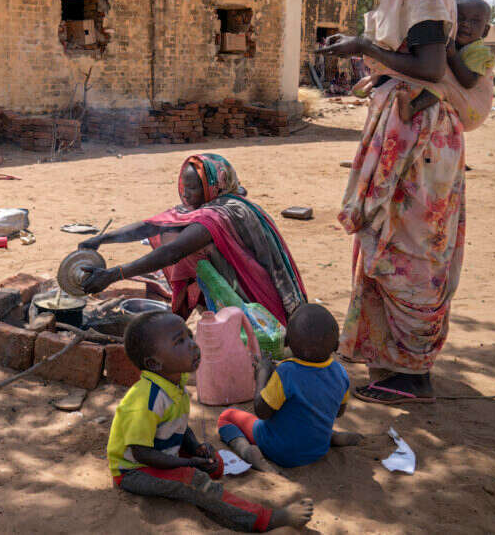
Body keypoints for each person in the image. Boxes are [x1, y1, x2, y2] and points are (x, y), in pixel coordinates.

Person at [317, 0, 465, 404]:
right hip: (404, 128)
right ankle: (395, 361)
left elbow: (428, 65)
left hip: (417, 138)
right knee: (389, 238)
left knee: (411, 247)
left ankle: (413, 371)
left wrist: (363, 46)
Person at [107, 311, 313, 532]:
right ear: (154, 363)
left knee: (213, 462)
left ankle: (202, 469)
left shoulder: (174, 382)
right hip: (135, 471)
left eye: (189, 336)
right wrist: (186, 464)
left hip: (161, 452)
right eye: (179, 342)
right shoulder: (145, 399)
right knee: (193, 480)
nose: (193, 346)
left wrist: (195, 447)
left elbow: (178, 427)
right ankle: (265, 519)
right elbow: (141, 453)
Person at [80, 154, 306, 326]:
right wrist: (102, 239)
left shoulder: (225, 212)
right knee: (172, 229)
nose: (185, 194)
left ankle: (233, 320)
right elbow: (154, 224)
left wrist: (114, 275)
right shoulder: (208, 205)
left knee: (179, 242)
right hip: (242, 285)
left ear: (212, 185)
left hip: (259, 301)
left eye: (193, 188)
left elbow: (173, 252)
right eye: (184, 187)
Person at [217, 303, 361, 472]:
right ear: (336, 345)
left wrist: (262, 374)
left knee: (227, 416)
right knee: (314, 417)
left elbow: (262, 412)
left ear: (286, 342)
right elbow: (338, 412)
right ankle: (330, 437)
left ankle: (246, 450)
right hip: (317, 450)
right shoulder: (340, 373)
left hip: (279, 450)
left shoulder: (287, 372)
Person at [394, 0, 495, 130]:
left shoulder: (478, 52)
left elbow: (468, 81)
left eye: (475, 21)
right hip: (465, 103)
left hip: (474, 109)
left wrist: (452, 55)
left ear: (485, 31)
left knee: (442, 85)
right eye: (460, 18)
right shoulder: (455, 45)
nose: (465, 24)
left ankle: (411, 109)